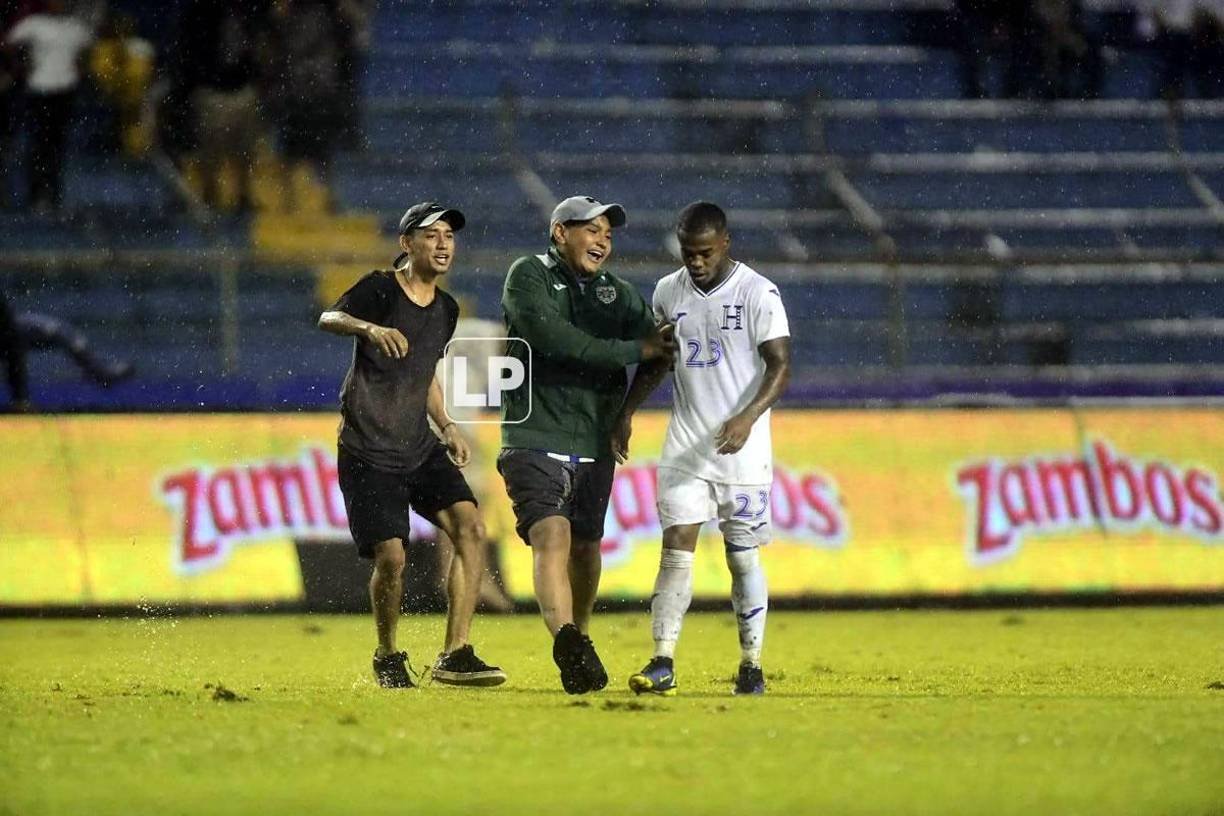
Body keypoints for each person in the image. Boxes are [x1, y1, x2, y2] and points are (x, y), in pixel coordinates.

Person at [318, 201, 505, 689]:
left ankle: (455, 653)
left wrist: (446, 424)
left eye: (449, 236)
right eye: (431, 235)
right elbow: (329, 317)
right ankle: (387, 652)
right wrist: (369, 327)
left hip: (418, 446)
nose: (443, 244)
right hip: (368, 451)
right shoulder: (380, 289)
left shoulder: (446, 310)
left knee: (470, 526)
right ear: (407, 244)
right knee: (392, 559)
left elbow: (424, 374)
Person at [498, 195, 676, 694]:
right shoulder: (527, 274)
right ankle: (569, 642)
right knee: (551, 536)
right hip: (534, 432)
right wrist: (630, 350)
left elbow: (661, 348)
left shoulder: (613, 294)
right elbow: (553, 339)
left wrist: (626, 412)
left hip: (595, 438)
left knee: (586, 545)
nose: (602, 241)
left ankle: (582, 638)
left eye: (608, 234)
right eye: (591, 230)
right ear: (560, 233)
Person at [615, 201, 791, 697]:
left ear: (726, 244)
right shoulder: (668, 292)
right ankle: (662, 660)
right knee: (675, 551)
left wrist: (747, 417)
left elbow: (780, 366)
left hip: (744, 451)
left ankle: (751, 664)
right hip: (686, 447)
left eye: (705, 253)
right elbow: (658, 360)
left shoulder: (759, 293)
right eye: (688, 253)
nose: (696, 262)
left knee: (742, 559)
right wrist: (627, 411)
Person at [3, 0, 94, 212]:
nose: (58, 5)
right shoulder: (34, 24)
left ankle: (52, 194)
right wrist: (22, 65)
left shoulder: (75, 27)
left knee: (56, 145)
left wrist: (80, 68)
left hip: (64, 90)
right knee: (37, 143)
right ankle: (35, 194)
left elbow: (89, 49)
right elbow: (8, 43)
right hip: (40, 88)